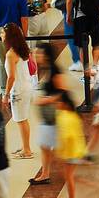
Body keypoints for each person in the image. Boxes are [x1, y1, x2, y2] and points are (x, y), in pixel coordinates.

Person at [29, 43, 59, 188]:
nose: (36, 56)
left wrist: (44, 100)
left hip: (53, 116)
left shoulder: (54, 70)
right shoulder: (45, 69)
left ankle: (46, 174)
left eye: (39, 53)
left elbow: (62, 92)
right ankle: (45, 174)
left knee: (49, 146)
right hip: (47, 117)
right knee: (44, 145)